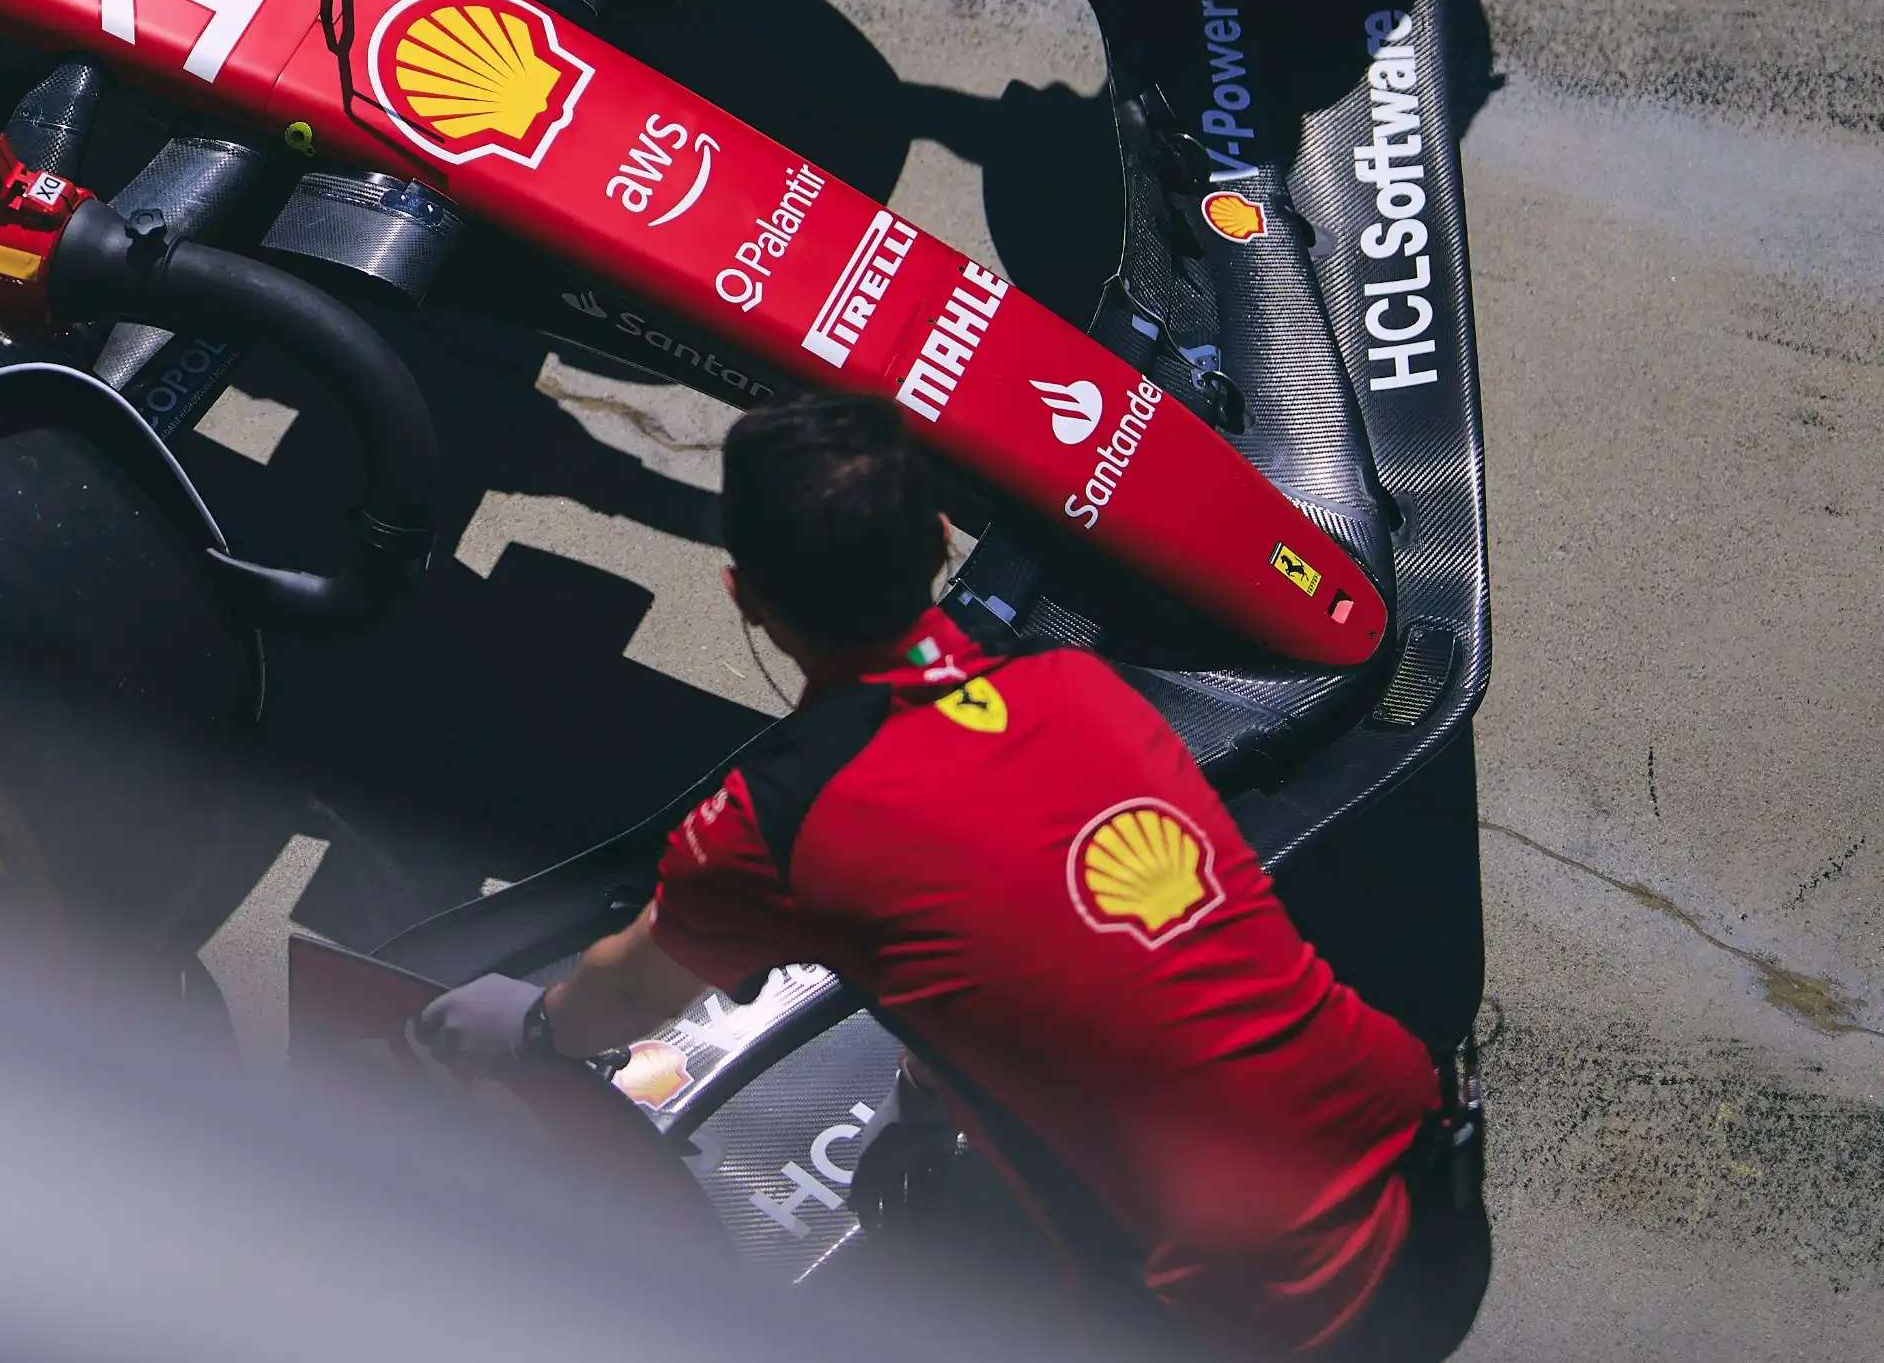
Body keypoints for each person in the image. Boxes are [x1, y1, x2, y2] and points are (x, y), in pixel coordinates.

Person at [417, 394, 1484, 1356]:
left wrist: (528, 1028)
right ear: (937, 542)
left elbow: (627, 995)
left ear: (743, 595)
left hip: (1254, 1317)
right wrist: (938, 1076)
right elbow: (1059, 937)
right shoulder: (1083, 692)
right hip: (1429, 1173)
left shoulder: (775, 826)